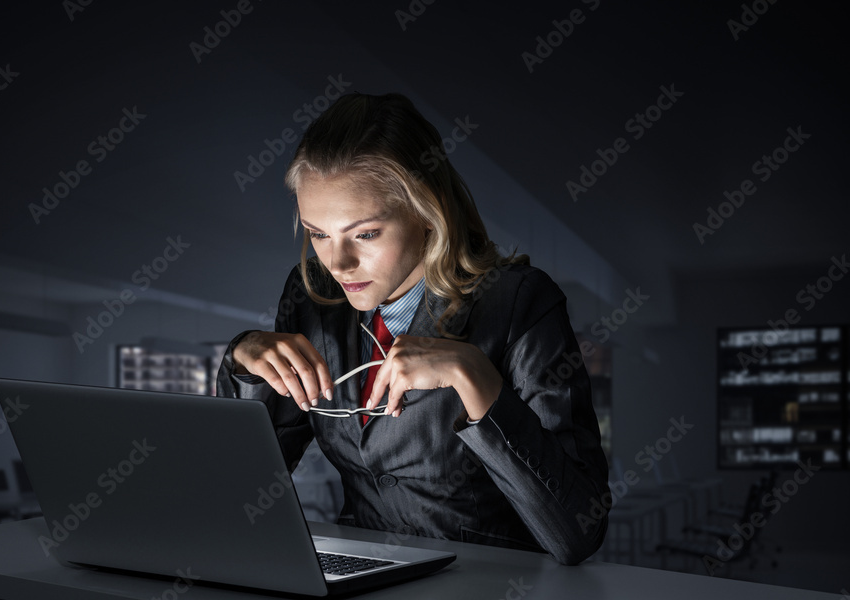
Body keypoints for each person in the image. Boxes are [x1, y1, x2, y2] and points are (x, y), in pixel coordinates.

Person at [215, 92, 609, 565]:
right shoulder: (312, 299)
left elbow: (578, 532)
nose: (338, 264)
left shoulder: (520, 303)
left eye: (365, 234)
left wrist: (477, 381)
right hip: (362, 576)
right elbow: (239, 492)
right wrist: (245, 360)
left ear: (427, 213)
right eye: (318, 234)